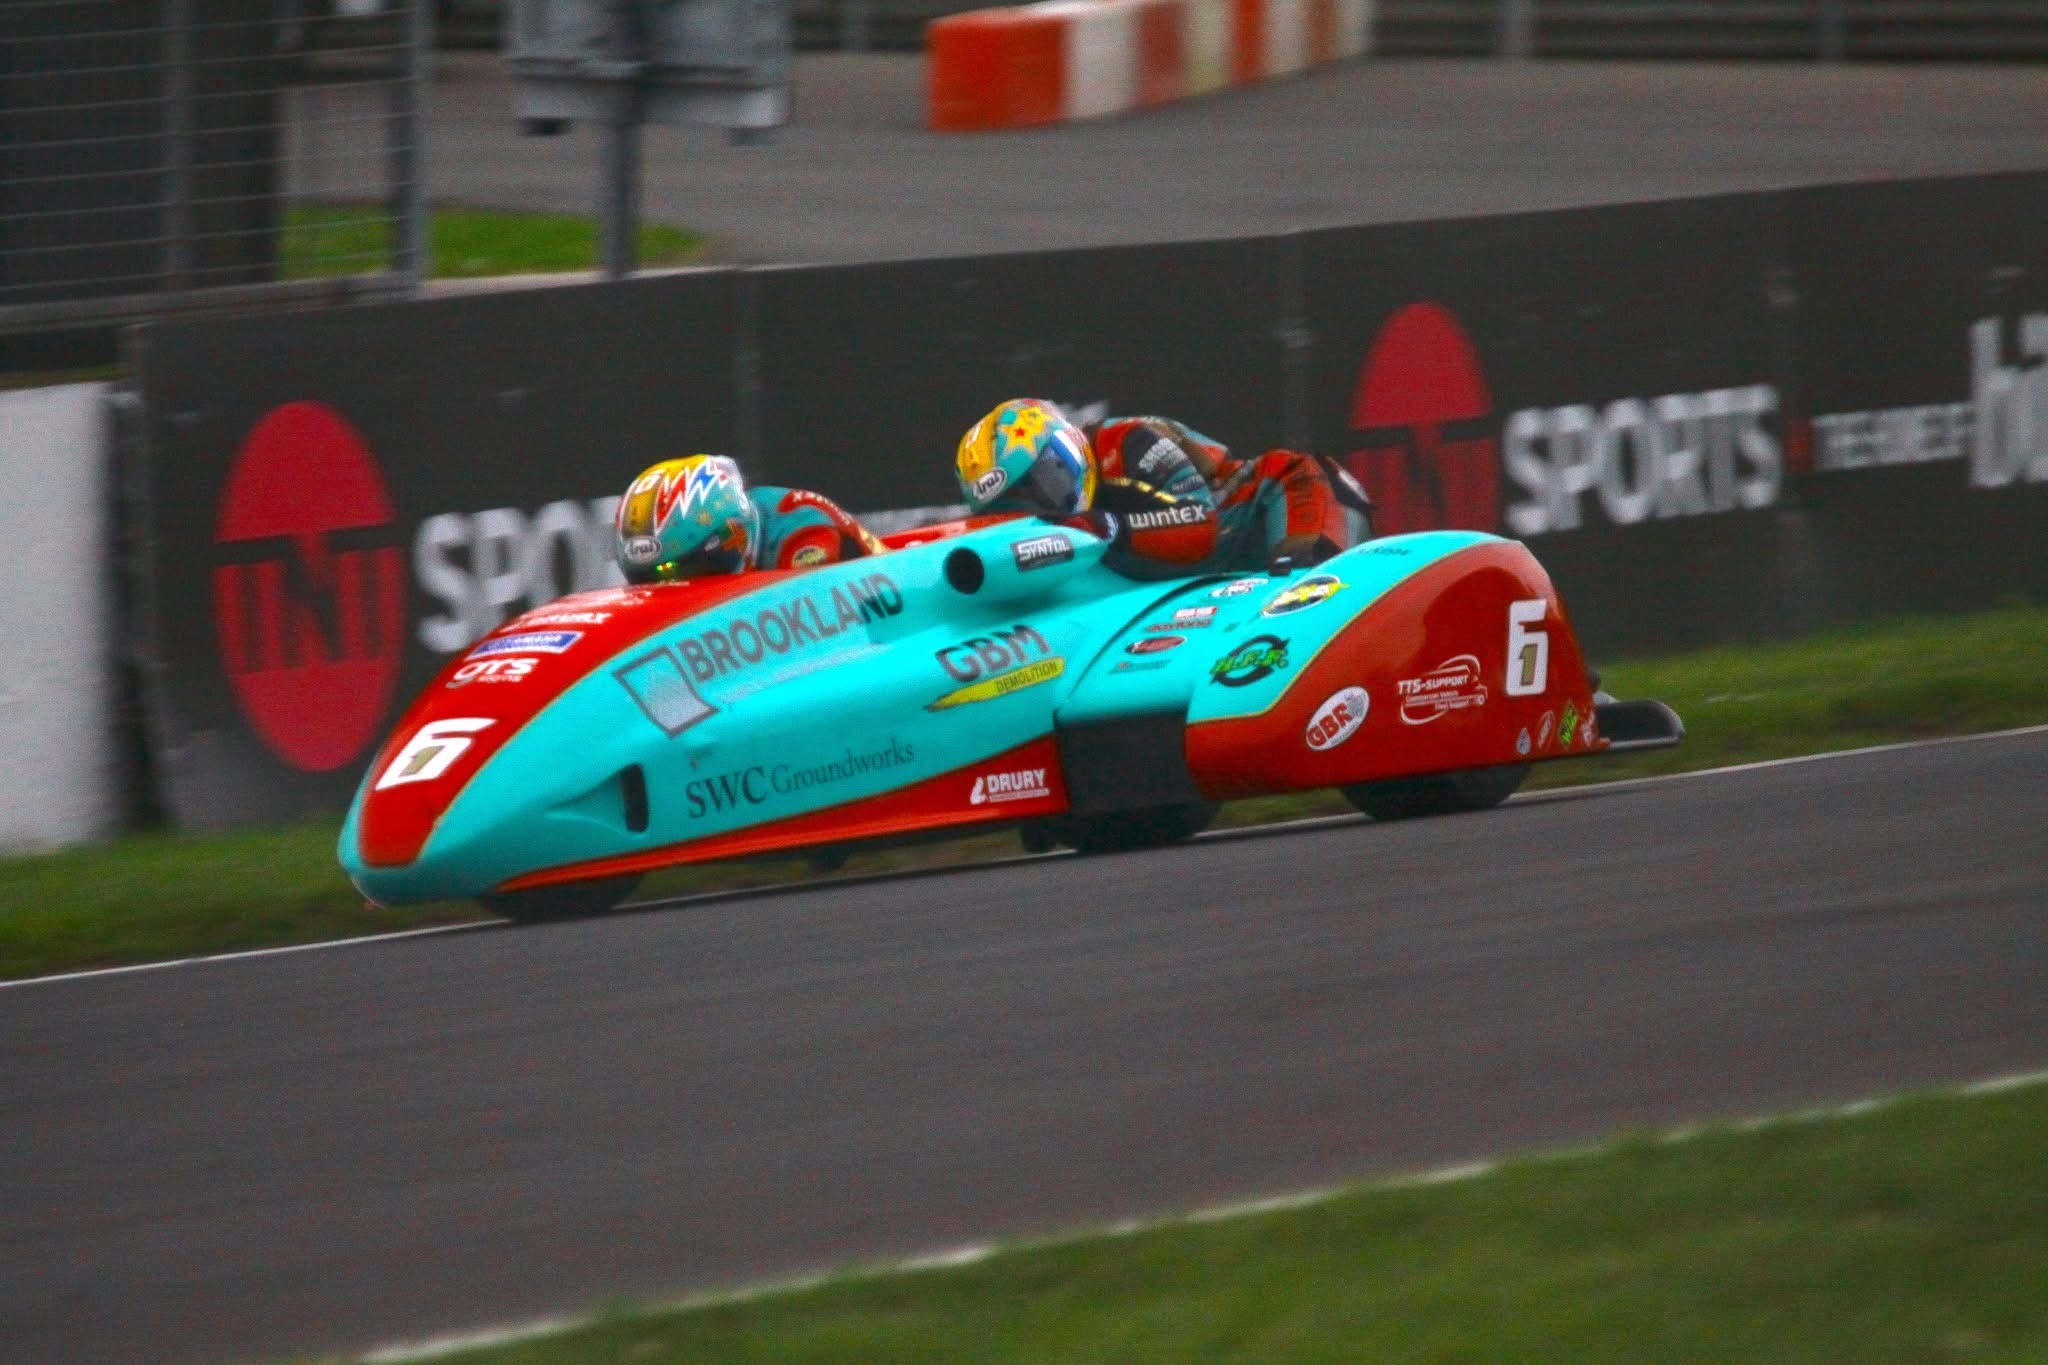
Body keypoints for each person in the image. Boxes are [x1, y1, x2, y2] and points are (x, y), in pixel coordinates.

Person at [952, 399, 1372, 578]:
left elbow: (1200, 527)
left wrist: (1102, 527)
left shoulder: (1130, 443)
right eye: (1016, 506)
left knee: (1303, 592)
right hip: (1207, 574)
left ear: (1070, 448)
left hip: (1286, 497)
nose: (1042, 508)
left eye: (1046, 480)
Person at [613, 454, 885, 583]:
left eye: (683, 572)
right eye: (648, 579)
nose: (667, 590)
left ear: (731, 537)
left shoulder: (804, 534)